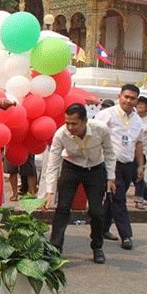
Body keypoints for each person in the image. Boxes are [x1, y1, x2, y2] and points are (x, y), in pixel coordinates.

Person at [43, 103, 116, 263]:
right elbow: (53, 163)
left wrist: (110, 177)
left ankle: (97, 247)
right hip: (71, 168)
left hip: (95, 169)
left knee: (97, 212)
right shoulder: (60, 134)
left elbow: (110, 152)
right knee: (62, 208)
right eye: (67, 122)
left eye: (74, 123)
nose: (69, 127)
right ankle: (55, 248)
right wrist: (49, 191)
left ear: (84, 121)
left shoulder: (101, 129)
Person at [93, 84, 145, 250]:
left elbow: (138, 144)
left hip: (128, 165)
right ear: (119, 96)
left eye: (133, 98)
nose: (129, 101)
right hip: (110, 164)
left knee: (112, 199)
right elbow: (93, 136)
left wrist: (140, 166)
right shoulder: (106, 114)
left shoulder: (137, 120)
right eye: (126, 97)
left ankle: (103, 229)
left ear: (137, 101)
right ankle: (126, 235)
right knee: (119, 199)